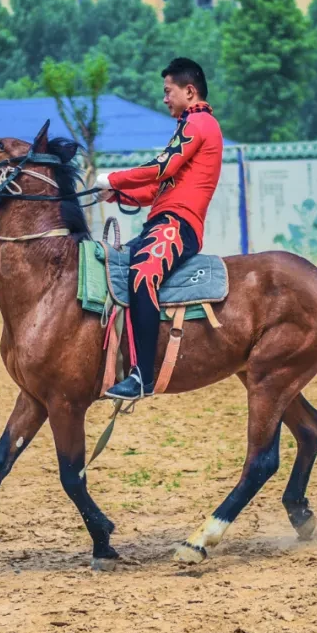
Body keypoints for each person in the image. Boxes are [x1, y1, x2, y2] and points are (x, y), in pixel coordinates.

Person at [94, 57, 224, 401]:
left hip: (178, 226)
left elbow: (161, 166)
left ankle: (142, 376)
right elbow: (156, 189)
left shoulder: (199, 124)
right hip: (162, 221)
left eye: (168, 91)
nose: (164, 98)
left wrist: (113, 177)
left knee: (142, 274)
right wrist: (117, 192)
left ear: (189, 91)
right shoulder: (191, 127)